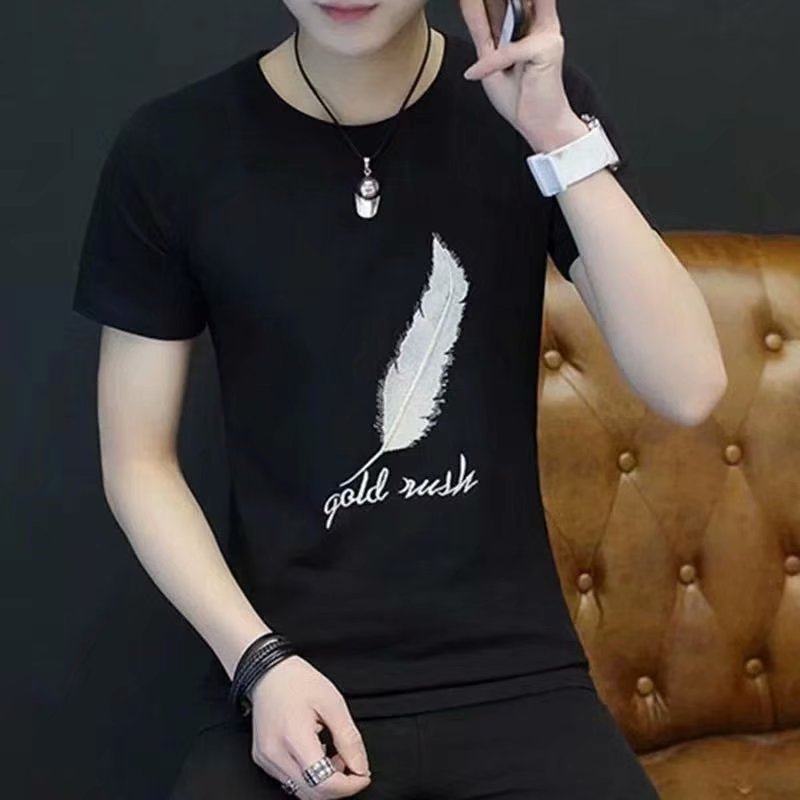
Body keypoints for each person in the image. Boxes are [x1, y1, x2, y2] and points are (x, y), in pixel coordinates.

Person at [72, 1, 726, 797]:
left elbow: (689, 386)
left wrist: (556, 135)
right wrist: (259, 662)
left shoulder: (530, 109)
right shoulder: (172, 150)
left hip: (516, 679)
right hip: (287, 681)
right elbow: (137, 462)